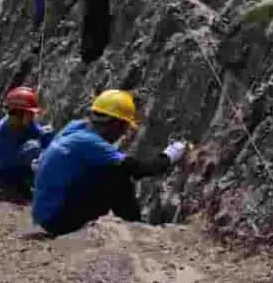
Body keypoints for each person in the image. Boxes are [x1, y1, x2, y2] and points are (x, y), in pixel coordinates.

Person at [32, 90, 186, 236]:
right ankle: (135, 227)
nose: (123, 134)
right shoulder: (90, 142)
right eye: (124, 127)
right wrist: (170, 155)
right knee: (116, 174)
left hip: (44, 212)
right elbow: (138, 169)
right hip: (57, 220)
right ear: (115, 124)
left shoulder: (75, 127)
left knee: (105, 170)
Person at [0, 87, 54, 202]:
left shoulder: (24, 123)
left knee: (46, 137)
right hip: (4, 179)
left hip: (22, 168)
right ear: (17, 113)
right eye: (29, 114)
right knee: (32, 150)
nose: (32, 117)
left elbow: (40, 133)